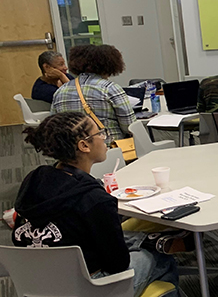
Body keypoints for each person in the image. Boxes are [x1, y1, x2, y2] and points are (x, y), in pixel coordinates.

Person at [13, 112, 179, 296]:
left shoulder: (34, 180)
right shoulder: (94, 199)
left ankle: (148, 240)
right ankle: (154, 245)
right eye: (99, 133)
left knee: (124, 236)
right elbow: (118, 264)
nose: (104, 137)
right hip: (89, 288)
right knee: (160, 258)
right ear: (84, 145)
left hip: (39, 282)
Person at [51, 44, 135, 144]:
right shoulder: (110, 88)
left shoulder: (60, 91)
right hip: (109, 149)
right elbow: (130, 127)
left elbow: (54, 125)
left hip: (75, 152)